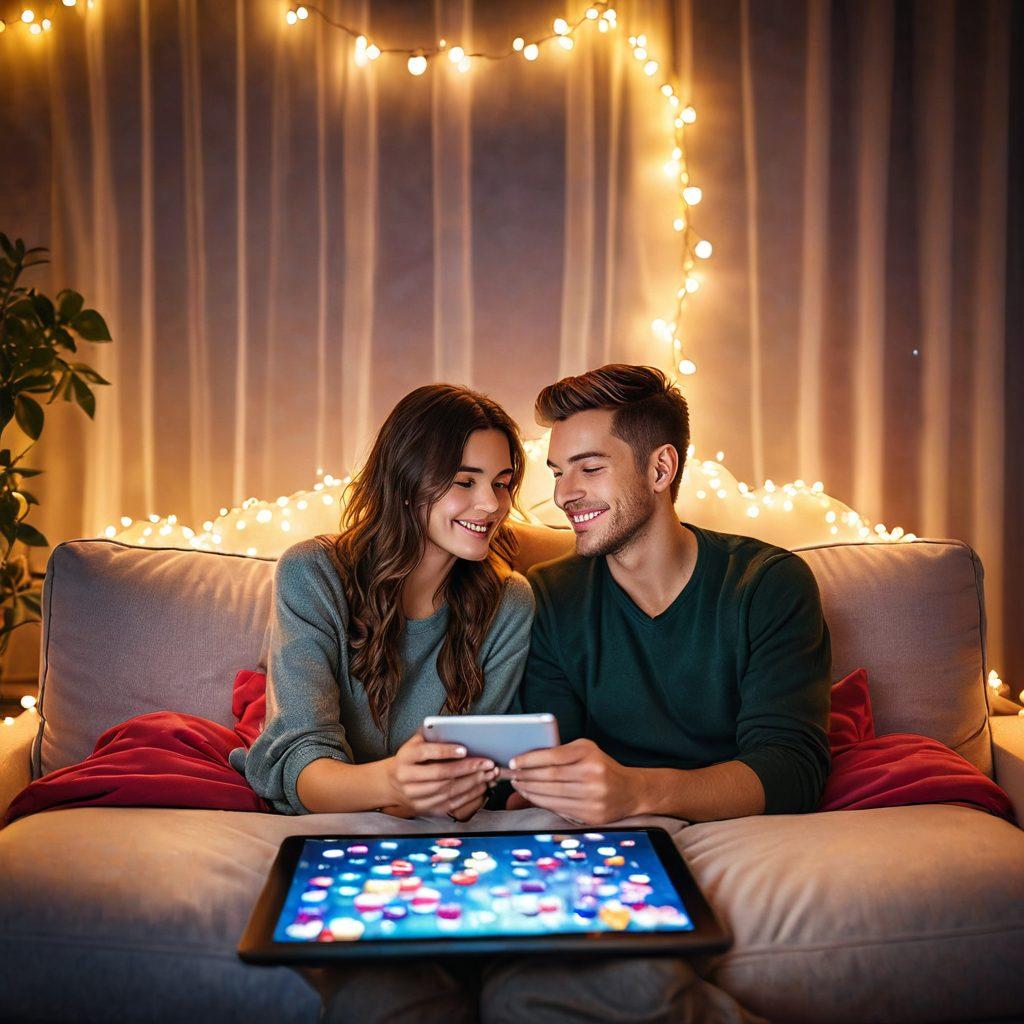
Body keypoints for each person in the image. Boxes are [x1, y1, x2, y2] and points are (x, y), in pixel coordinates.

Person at [506, 363, 832, 828]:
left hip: (739, 828)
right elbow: (553, 761)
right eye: (558, 473)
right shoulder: (550, 595)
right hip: (607, 835)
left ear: (661, 468)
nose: (564, 495)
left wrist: (637, 792)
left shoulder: (769, 585)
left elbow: (791, 770)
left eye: (590, 469)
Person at [231, 383, 534, 821]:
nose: (491, 504)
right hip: (324, 813)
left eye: (501, 484)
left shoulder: (509, 604)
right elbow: (301, 759)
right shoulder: (312, 572)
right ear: (407, 481)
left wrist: (469, 792)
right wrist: (393, 783)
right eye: (464, 481)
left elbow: (478, 772)